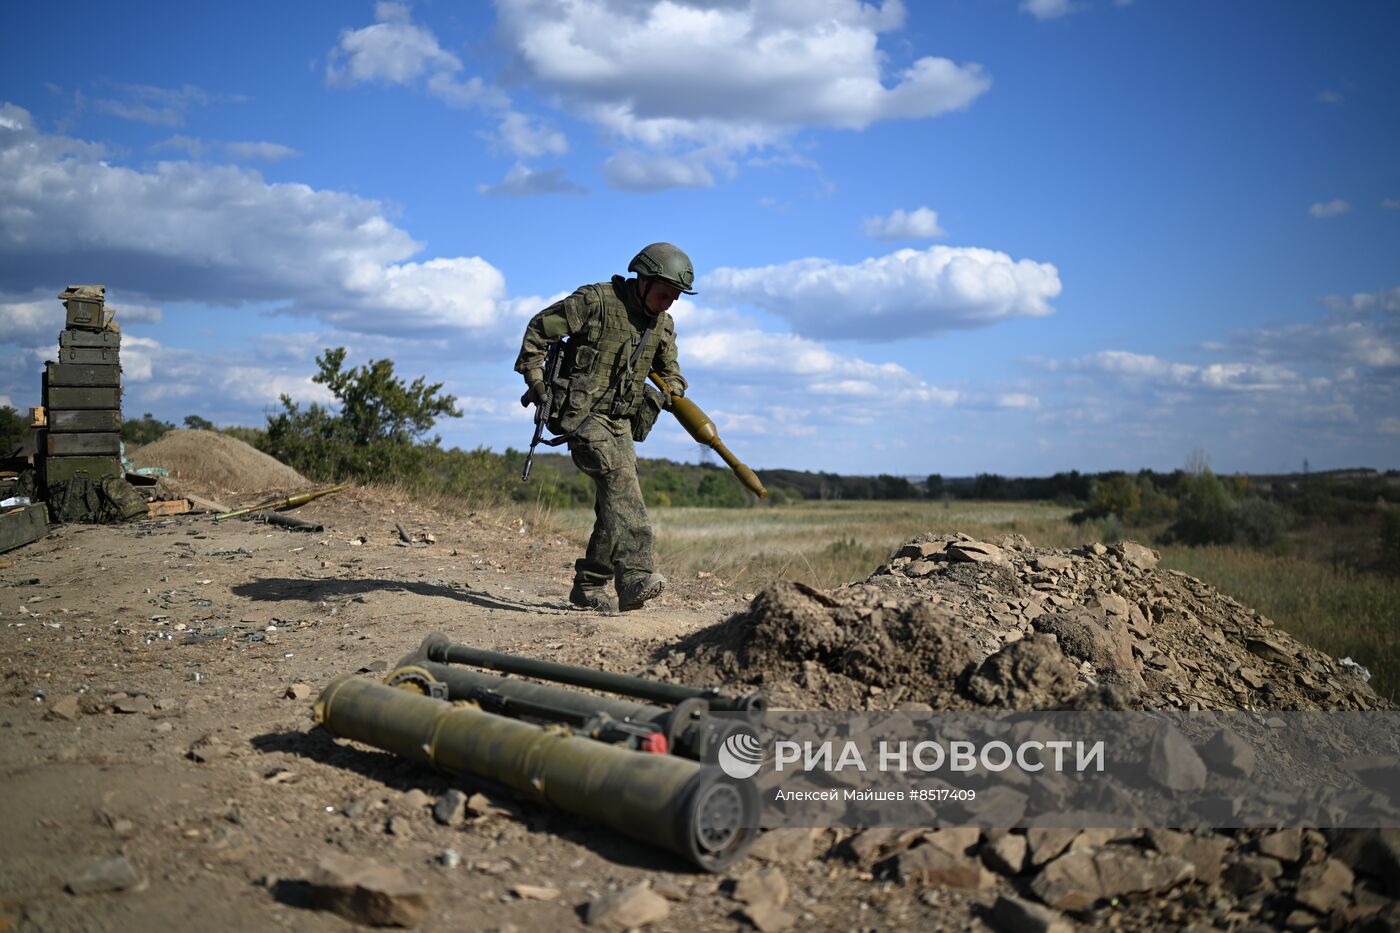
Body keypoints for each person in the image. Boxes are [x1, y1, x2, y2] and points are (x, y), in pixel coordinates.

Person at [515, 242, 695, 611]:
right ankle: (635, 576)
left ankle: (590, 584)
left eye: (675, 298)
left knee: (614, 500)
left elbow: (670, 369)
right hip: (580, 415)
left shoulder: (662, 324)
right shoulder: (594, 302)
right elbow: (538, 331)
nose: (668, 303)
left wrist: (673, 387)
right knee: (619, 483)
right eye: (664, 294)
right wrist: (536, 381)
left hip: (621, 420)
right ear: (642, 280)